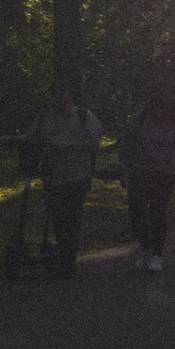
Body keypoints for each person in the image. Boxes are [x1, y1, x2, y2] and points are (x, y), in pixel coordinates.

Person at [24, 89, 102, 276]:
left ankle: (68, 261)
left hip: (78, 175)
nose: (59, 98)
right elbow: (31, 137)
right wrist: (12, 139)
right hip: (53, 176)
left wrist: (72, 146)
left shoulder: (83, 116)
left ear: (69, 95)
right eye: (55, 95)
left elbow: (95, 141)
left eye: (62, 94)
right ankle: (63, 255)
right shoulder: (45, 117)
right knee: (57, 217)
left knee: (71, 216)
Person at [122, 90, 175, 271]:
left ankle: (157, 255)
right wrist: (125, 168)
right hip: (140, 172)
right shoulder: (140, 119)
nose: (161, 114)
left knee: (158, 213)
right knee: (136, 211)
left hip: (165, 173)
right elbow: (126, 144)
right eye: (158, 109)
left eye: (165, 110)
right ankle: (146, 245)